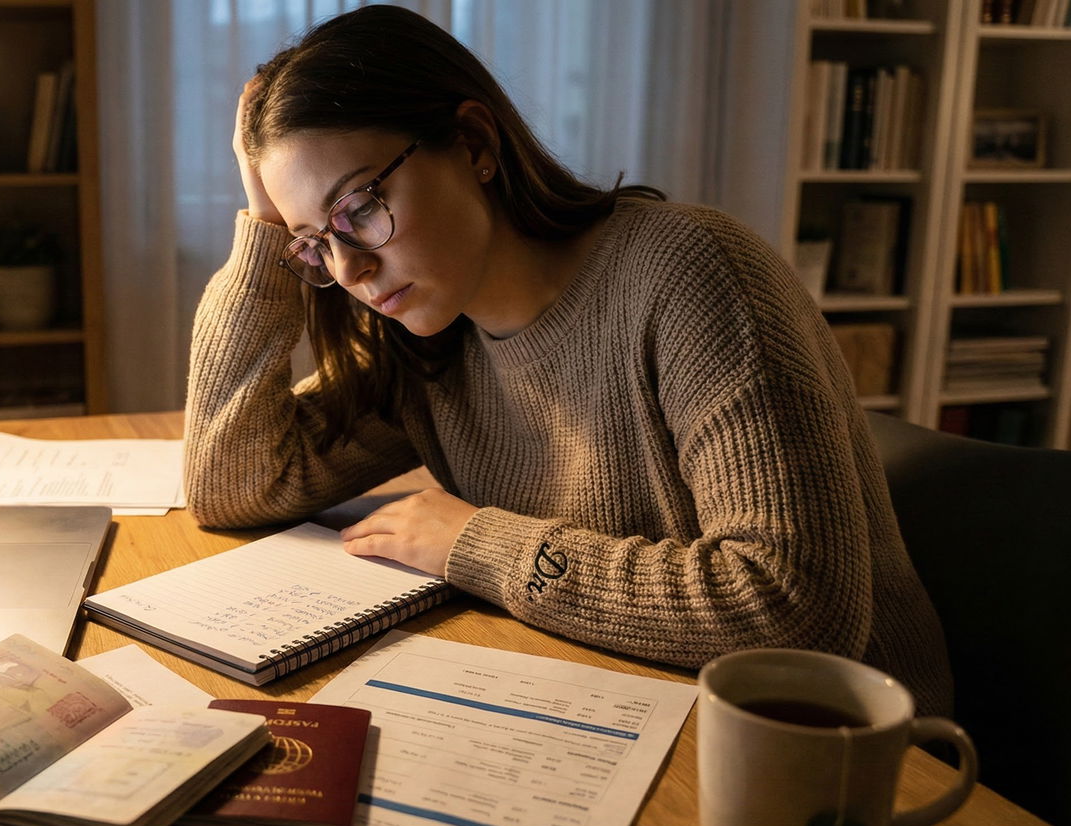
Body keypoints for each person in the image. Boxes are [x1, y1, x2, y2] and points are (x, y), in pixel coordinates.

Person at [183, 5, 952, 715]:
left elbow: (793, 608)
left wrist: (476, 544)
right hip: (616, 702)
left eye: (357, 210)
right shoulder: (426, 341)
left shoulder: (692, 272)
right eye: (315, 243)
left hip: (838, 754)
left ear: (476, 145)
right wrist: (261, 226)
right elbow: (234, 485)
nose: (348, 272)